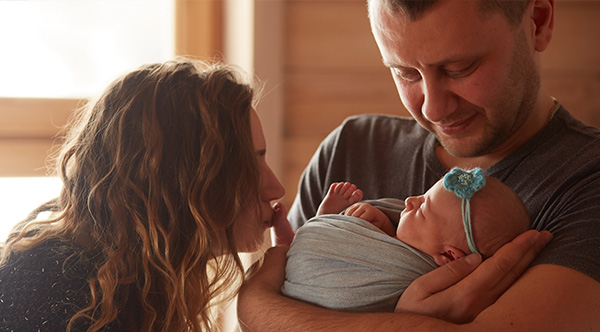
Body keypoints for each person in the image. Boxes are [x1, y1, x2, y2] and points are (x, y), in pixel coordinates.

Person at [237, 0, 600, 330]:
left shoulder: (587, 179)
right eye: (405, 73)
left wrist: (256, 304)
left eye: (459, 68)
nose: (432, 109)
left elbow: (269, 306)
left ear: (538, 21)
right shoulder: (352, 146)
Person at [0, 58, 293, 331]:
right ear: (182, 179)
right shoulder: (54, 290)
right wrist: (265, 305)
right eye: (249, 165)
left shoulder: (140, 289)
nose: (275, 189)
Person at [283, 168, 530, 312]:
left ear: (449, 257)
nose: (410, 199)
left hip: (320, 289)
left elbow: (378, 270)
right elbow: (390, 243)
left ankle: (326, 219)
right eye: (423, 195)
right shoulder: (418, 240)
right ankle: (328, 221)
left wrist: (358, 228)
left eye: (422, 208)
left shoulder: (423, 278)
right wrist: (379, 224)